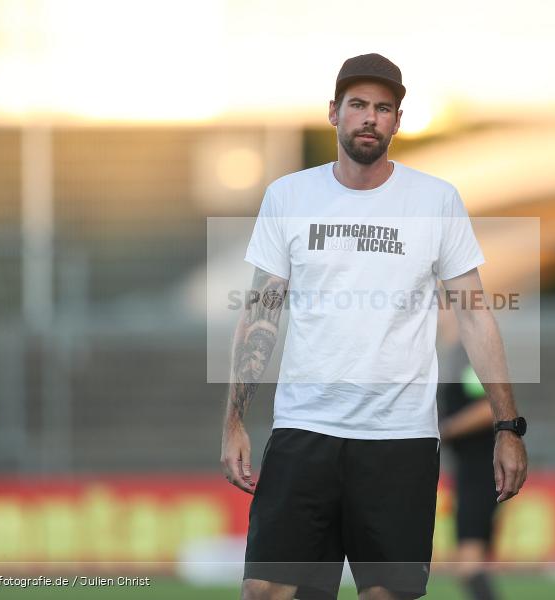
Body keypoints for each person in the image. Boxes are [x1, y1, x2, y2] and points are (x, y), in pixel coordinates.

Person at [221, 53, 528, 600]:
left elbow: (475, 314)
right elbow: (260, 311)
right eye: (358, 105)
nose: (370, 117)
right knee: (266, 590)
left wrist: (508, 428)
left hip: (399, 440)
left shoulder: (436, 200)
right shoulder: (289, 197)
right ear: (333, 113)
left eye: (383, 108)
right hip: (305, 430)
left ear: (398, 121)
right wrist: (234, 422)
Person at [437, 338, 501, 600]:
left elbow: (491, 408)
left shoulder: (470, 356)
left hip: (481, 470)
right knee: (466, 563)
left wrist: (445, 430)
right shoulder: (456, 356)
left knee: (469, 563)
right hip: (467, 470)